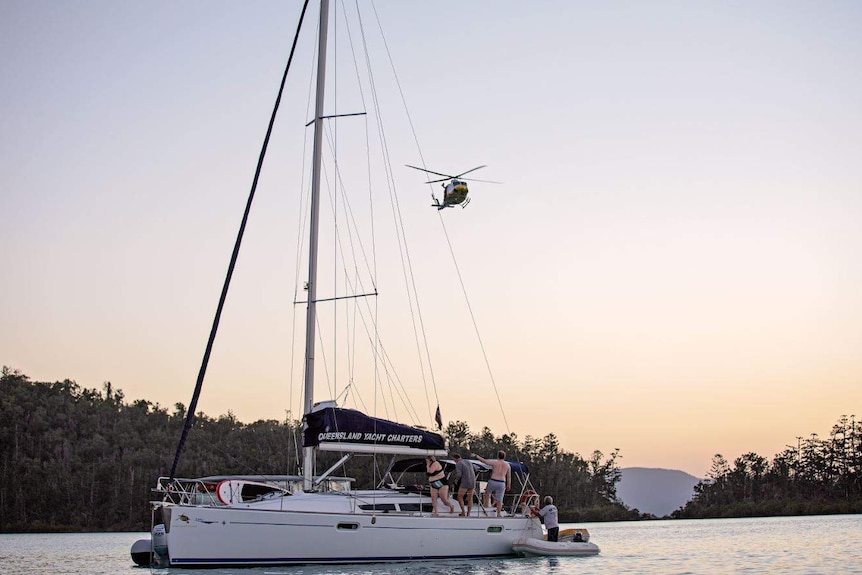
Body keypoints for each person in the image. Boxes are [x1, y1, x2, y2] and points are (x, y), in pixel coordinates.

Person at [472, 450, 511, 517]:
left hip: (493, 480)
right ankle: (498, 514)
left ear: (498, 456)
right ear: (504, 457)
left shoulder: (495, 463)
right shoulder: (507, 465)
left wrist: (476, 456)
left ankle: (486, 506)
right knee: (500, 499)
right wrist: (508, 485)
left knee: (487, 494)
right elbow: (509, 477)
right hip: (501, 483)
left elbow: (484, 461)